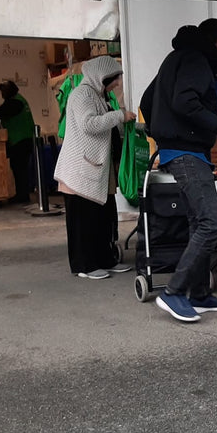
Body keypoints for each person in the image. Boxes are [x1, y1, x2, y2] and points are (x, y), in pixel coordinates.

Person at [139, 23, 217, 322]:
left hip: (182, 149)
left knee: (196, 221)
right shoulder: (196, 60)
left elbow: (146, 101)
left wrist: (161, 132)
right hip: (186, 152)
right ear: (209, 42)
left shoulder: (173, 59)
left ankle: (199, 294)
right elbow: (185, 102)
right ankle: (174, 292)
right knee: (212, 223)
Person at [53, 56, 134, 279]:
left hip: (96, 169)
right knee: (82, 222)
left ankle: (105, 259)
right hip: (79, 172)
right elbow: (89, 125)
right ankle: (84, 266)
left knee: (102, 219)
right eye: (115, 79)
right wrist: (119, 115)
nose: (117, 83)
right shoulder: (82, 95)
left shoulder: (99, 94)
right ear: (103, 77)